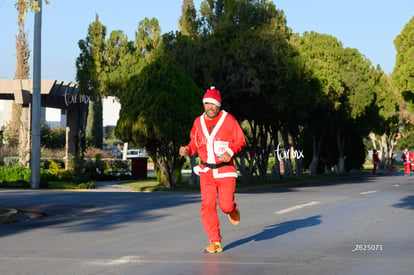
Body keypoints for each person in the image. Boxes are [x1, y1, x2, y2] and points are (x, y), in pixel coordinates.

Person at [179, 87, 246, 253]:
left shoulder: (229, 120)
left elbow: (240, 140)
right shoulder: (197, 122)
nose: (210, 106)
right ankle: (215, 241)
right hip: (206, 172)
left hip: (225, 171)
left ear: (218, 105)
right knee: (207, 205)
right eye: (207, 103)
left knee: (225, 206)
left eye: (213, 104)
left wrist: (230, 151)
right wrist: (188, 149)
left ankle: (232, 209)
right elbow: (195, 142)